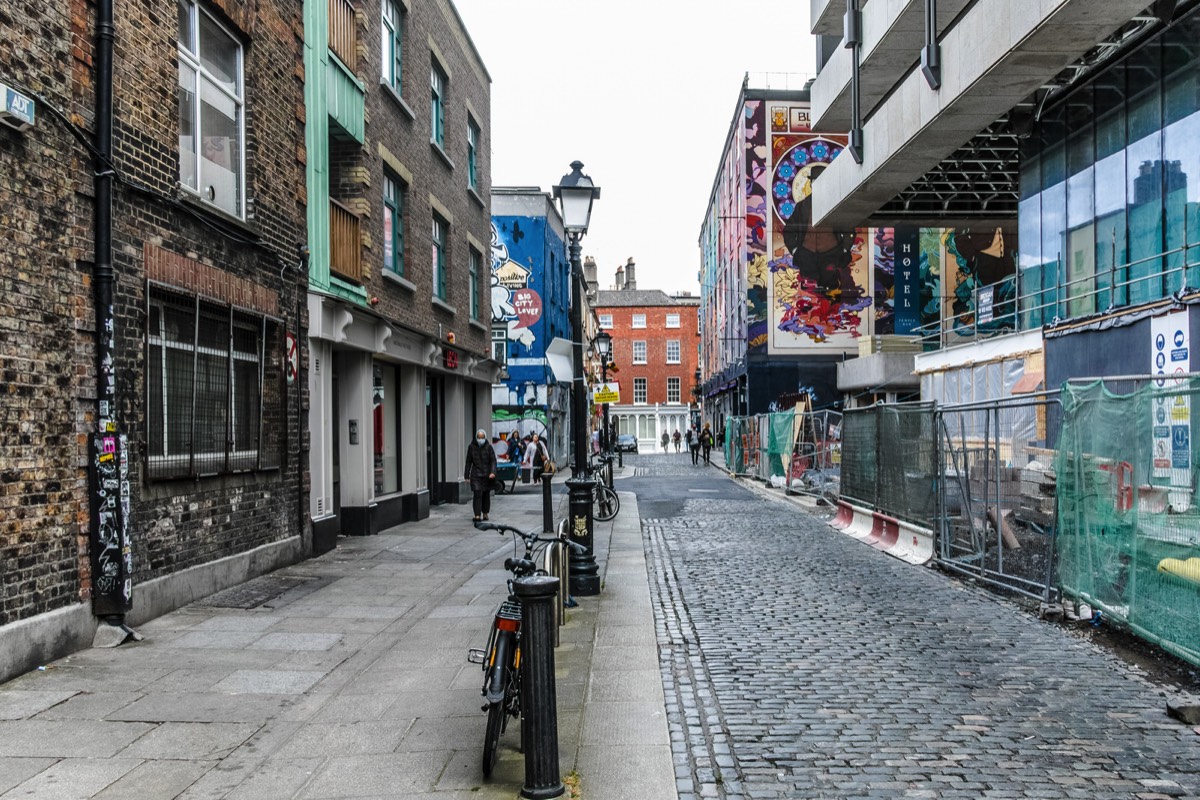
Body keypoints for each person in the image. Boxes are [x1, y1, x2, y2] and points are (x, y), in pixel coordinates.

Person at [465, 428, 497, 523]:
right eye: (479, 437)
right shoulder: (471, 447)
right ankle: (477, 515)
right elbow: (468, 462)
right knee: (477, 494)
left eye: (482, 437)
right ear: (476, 437)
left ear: (485, 437)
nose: (480, 439)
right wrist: (466, 475)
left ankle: (485, 512)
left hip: (487, 475)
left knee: (486, 494)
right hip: (476, 474)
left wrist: (493, 472)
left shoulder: (489, 447)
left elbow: (493, 461)